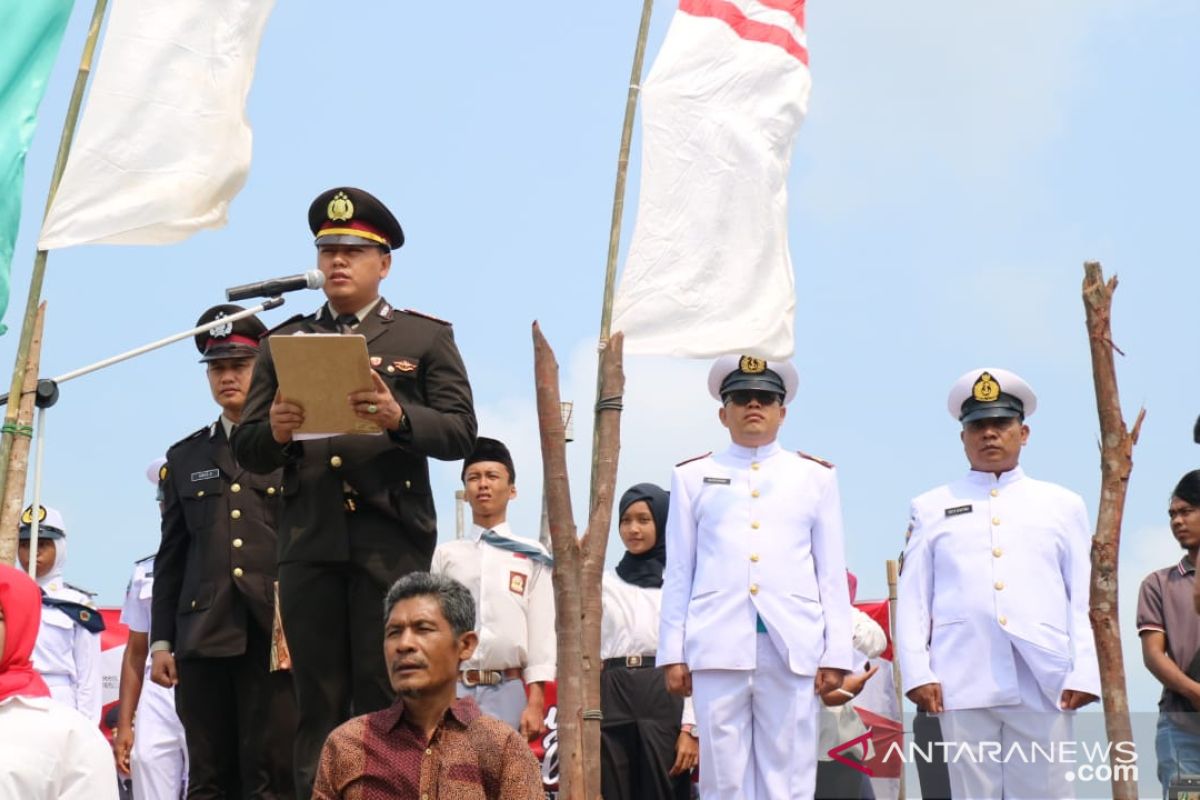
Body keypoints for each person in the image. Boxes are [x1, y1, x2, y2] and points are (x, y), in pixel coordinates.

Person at [231, 186, 477, 797]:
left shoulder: (422, 338)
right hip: (310, 541)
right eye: (327, 250)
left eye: (352, 251)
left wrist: (399, 416)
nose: (337, 261)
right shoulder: (283, 342)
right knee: (316, 700)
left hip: (387, 539)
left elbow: (460, 432)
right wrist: (279, 433)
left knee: (385, 691)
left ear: (383, 262)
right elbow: (249, 448)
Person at [896, 367, 1100, 799]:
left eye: (1000, 424)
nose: (989, 434)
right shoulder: (931, 506)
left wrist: (1085, 670)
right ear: (963, 436)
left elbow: (1081, 597)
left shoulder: (1062, 505)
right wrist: (917, 670)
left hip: (1045, 677)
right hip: (961, 675)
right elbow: (913, 600)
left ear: (1023, 433)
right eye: (978, 425)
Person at [660, 354, 854, 799]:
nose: (754, 406)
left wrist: (835, 653)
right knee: (722, 780)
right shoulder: (692, 476)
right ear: (722, 412)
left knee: (787, 777)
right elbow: (680, 571)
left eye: (765, 398)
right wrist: (673, 650)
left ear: (781, 412)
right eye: (741, 398)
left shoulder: (815, 477)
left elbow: (830, 572)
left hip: (792, 644)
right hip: (716, 642)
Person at [151, 304, 295, 798]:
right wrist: (161, 641)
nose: (227, 377)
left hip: (276, 634)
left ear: (264, 371)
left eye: (240, 365)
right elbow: (172, 556)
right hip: (202, 634)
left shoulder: (294, 443)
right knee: (209, 776)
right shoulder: (186, 455)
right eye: (217, 368)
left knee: (271, 772)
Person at [311, 571, 543, 798]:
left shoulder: (503, 748)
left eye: (423, 629)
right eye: (394, 632)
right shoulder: (347, 745)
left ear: (465, 645)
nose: (404, 644)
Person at [430, 437, 554, 738]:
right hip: (454, 688)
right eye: (474, 477)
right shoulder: (447, 555)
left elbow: (541, 634)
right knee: (452, 779)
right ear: (465, 491)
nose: (482, 484)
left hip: (509, 689)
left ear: (512, 490)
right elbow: (433, 627)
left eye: (492, 476)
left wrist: (535, 703)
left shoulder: (531, 555)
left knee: (506, 780)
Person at [600, 482, 698, 800]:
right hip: (612, 693)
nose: (633, 529)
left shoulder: (682, 583)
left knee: (664, 788)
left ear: (663, 521)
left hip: (664, 690)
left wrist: (690, 729)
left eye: (644, 519)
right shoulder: (604, 582)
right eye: (626, 520)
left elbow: (696, 655)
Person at [0, 562, 119, 800]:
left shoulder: (69, 735)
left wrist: (87, 718)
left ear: (19, 623)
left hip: (58, 696)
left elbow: (87, 674)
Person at [114, 457, 188, 799]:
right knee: (148, 768)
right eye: (164, 501)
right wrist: (125, 723)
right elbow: (135, 651)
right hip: (157, 690)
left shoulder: (220, 562)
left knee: (212, 777)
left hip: (208, 676)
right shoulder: (145, 571)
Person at [1138, 469, 1200, 796]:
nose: (1177, 521)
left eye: (1187, 511)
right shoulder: (1159, 584)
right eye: (1172, 514)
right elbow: (1153, 655)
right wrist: (1194, 692)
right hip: (1182, 730)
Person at [16, 503, 104, 723]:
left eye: (43, 544)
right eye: (25, 544)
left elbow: (88, 676)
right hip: (14, 698)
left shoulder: (77, 605)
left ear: (60, 547)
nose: (32, 553)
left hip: (59, 699)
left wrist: (87, 728)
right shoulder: (8, 597)